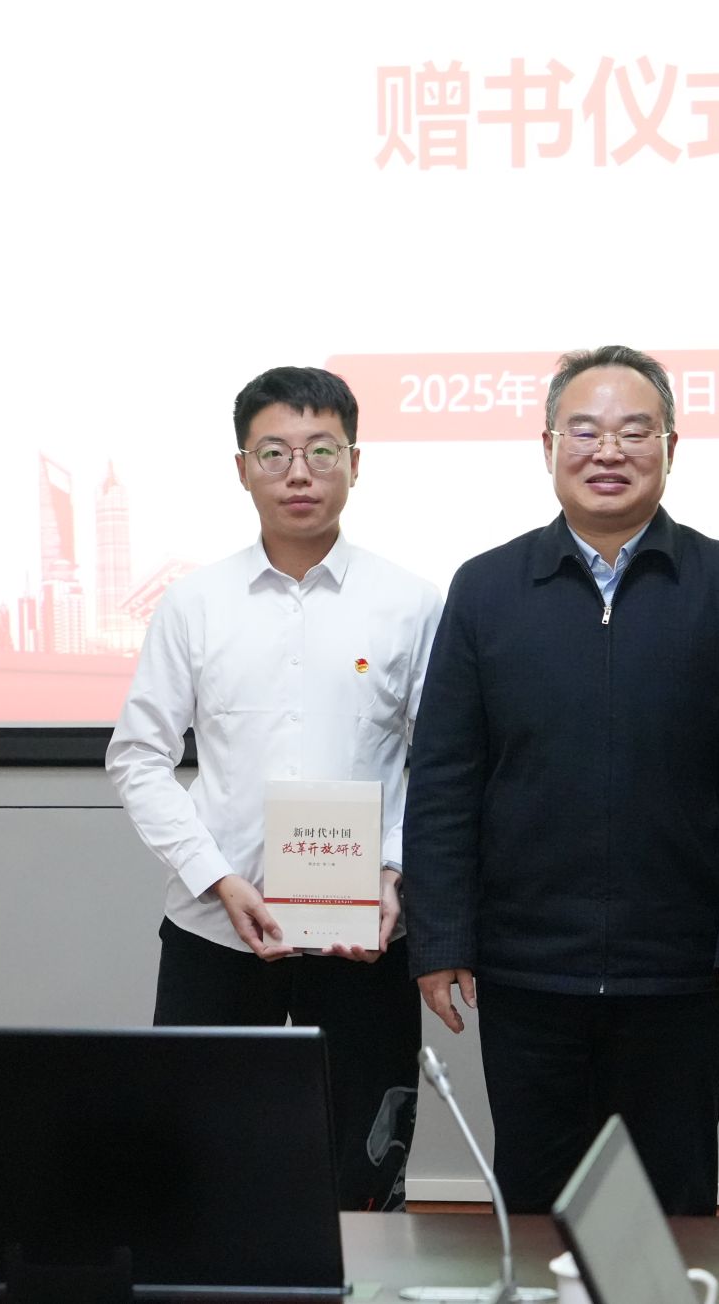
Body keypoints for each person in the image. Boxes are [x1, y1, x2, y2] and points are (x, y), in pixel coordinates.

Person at [403, 344, 719, 1217]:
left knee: (671, 1209)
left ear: (671, 446)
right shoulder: (486, 589)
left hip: (680, 975)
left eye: (634, 431)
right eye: (583, 430)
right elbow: (444, 781)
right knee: (539, 1204)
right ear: (547, 445)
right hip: (527, 972)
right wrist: (440, 937)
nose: (608, 450)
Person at [107, 366, 441, 1212]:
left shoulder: (410, 604)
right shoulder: (194, 604)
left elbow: (439, 762)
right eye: (275, 453)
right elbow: (138, 756)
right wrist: (214, 876)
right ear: (242, 468)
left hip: (363, 938)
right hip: (218, 929)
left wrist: (394, 872)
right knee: (199, 1169)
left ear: (355, 463)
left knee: (363, 1176)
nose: (300, 472)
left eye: (322, 450)